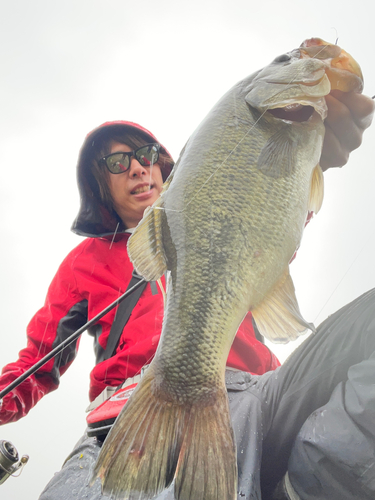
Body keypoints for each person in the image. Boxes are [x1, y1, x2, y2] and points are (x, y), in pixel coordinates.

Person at [0, 90, 373, 500]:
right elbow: (36, 364)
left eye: (145, 154)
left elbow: (277, 227)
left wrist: (306, 158)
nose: (138, 168)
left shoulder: (218, 201)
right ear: (99, 183)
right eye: (118, 163)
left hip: (259, 394)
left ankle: (298, 485)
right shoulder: (83, 263)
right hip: (131, 421)